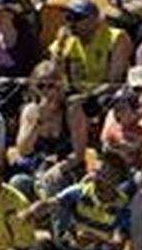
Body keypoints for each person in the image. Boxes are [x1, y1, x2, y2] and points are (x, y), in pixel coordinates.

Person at [7, 60, 87, 202]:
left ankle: (61, 224)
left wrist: (59, 168)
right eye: (41, 86)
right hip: (37, 169)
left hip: (67, 169)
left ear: (61, 85)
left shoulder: (72, 111)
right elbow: (23, 150)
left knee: (53, 183)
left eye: (51, 86)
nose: (46, 91)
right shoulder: (30, 110)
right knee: (17, 182)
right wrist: (38, 121)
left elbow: (79, 153)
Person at [48, 0, 133, 97]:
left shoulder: (115, 39)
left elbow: (114, 82)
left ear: (94, 20)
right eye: (68, 17)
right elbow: (52, 76)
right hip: (75, 95)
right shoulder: (66, 40)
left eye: (77, 18)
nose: (71, 23)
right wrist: (60, 47)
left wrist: (87, 97)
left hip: (106, 95)